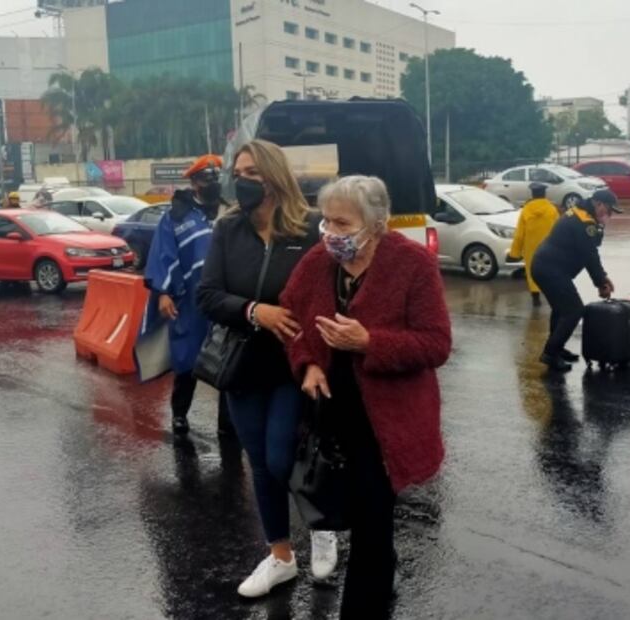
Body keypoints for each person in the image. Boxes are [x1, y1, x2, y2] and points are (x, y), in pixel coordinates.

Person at [281, 176, 452, 618]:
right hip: (331, 413)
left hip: (386, 422)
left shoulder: (412, 264)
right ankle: (382, 565)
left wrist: (371, 343)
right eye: (326, 221)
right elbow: (291, 315)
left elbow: (436, 344)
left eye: (342, 223)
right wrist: (309, 363)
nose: (330, 233)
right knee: (349, 510)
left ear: (376, 224)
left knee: (373, 525)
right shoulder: (320, 260)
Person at [196, 139, 338, 598]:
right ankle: (280, 556)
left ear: (275, 176)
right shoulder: (227, 229)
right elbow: (208, 295)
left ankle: (322, 523)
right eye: (239, 171)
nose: (243, 180)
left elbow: (330, 296)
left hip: (293, 363)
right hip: (242, 365)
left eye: (253, 172)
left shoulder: (310, 229)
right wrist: (257, 311)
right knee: (259, 462)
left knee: (281, 455)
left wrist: (319, 355)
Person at [144, 154, 231, 435]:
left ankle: (227, 425)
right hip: (190, 302)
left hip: (226, 298)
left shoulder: (230, 212)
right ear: (194, 182)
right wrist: (163, 293)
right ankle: (179, 415)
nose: (212, 183)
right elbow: (163, 255)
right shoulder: (175, 218)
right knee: (186, 359)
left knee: (229, 359)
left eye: (216, 178)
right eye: (207, 178)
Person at [531, 189, 622, 372]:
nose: (610, 215)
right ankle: (550, 353)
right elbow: (590, 256)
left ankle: (557, 348)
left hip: (546, 266)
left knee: (561, 308)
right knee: (573, 310)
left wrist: (602, 277)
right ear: (598, 204)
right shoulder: (584, 222)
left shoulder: (581, 213)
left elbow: (589, 251)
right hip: (550, 269)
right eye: (609, 211)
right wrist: (601, 282)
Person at [508, 183, 560, 307]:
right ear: (544, 194)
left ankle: (535, 298)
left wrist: (514, 253)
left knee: (532, 272)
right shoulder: (552, 209)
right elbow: (558, 229)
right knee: (549, 271)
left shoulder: (526, 210)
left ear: (532, 194)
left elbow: (519, 234)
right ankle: (551, 295)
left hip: (530, 247)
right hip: (549, 246)